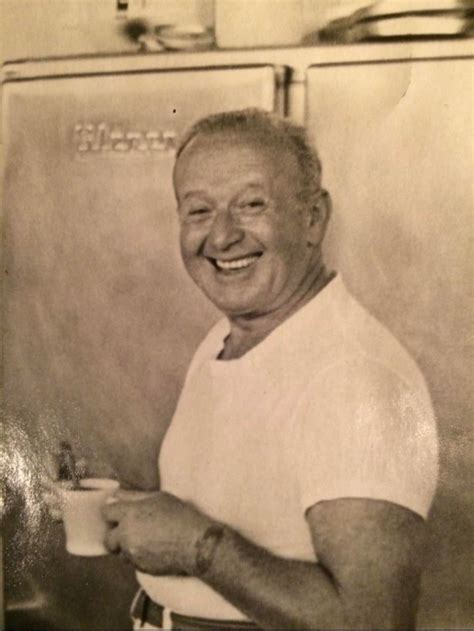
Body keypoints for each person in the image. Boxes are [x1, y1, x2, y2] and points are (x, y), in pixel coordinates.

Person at [81, 109, 440, 629]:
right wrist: (150, 519)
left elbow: (374, 621)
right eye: (198, 211)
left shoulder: (355, 378)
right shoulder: (229, 336)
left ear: (313, 218)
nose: (222, 237)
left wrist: (197, 546)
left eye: (251, 205)